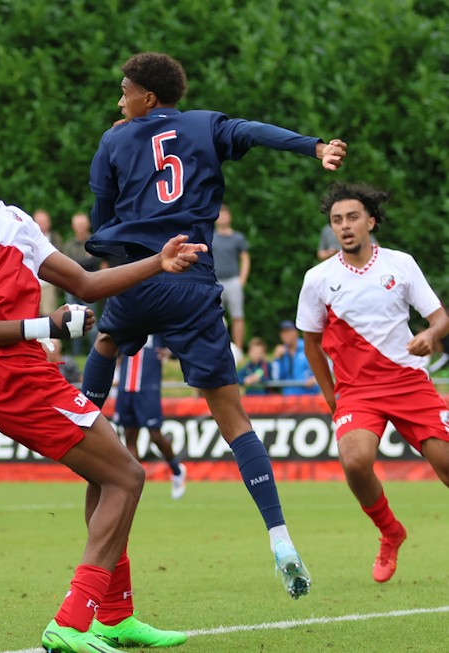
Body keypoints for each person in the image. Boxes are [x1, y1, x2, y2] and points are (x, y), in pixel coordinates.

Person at [0, 107, 205, 652]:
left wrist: (157, 262)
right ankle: (72, 620)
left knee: (108, 474)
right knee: (128, 477)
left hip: (23, 366)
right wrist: (44, 324)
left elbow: (85, 284)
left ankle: (116, 615)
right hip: (0, 372)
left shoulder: (15, 220)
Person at [79, 52, 347, 600]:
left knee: (106, 340)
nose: (119, 101)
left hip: (142, 275)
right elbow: (258, 131)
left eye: (125, 92)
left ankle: (78, 418)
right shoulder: (206, 124)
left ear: (147, 97)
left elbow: (104, 224)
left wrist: (119, 170)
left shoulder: (114, 141)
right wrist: (315, 146)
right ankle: (279, 536)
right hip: (195, 282)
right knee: (233, 417)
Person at [298, 182, 449, 583]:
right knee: (354, 460)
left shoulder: (400, 264)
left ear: (371, 221)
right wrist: (334, 400)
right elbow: (311, 344)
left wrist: (431, 337)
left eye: (352, 218)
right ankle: (390, 532)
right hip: (357, 391)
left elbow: (439, 318)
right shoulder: (317, 279)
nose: (344, 227)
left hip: (409, 382)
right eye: (336, 221)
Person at [114, 335, 187, 499]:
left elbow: (178, 345)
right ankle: (134, 484)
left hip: (148, 388)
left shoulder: (157, 327)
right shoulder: (126, 323)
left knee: (155, 435)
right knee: (130, 437)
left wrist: (169, 352)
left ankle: (176, 470)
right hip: (126, 387)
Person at [59, 212, 102, 355]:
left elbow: (95, 260)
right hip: (71, 287)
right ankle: (77, 355)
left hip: (91, 286)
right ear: (73, 227)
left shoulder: (93, 241)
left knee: (92, 321)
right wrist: (84, 261)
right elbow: (64, 264)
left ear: (88, 225)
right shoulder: (69, 244)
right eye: (78, 225)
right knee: (73, 322)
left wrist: (76, 263)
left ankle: (95, 353)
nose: (81, 228)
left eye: (83, 225)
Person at [213, 204, 250, 351]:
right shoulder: (210, 236)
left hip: (233, 281)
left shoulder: (237, 238)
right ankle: (217, 348)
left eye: (225, 214)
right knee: (214, 317)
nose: (222, 218)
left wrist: (242, 280)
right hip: (214, 282)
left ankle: (238, 349)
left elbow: (245, 259)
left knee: (238, 316)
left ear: (230, 217)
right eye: (220, 214)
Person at [271, 320, 318, 395]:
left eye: (288, 332)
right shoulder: (281, 353)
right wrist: (276, 360)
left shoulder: (307, 347)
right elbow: (275, 379)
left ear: (295, 333)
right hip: (288, 399)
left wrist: (315, 378)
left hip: (309, 397)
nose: (286, 335)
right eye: (283, 333)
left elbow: (322, 368)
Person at [32, 209, 63, 316]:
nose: (41, 225)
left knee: (49, 315)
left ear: (49, 222)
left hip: (49, 284)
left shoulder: (56, 238)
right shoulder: (28, 239)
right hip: (33, 283)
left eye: (44, 222)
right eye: (38, 222)